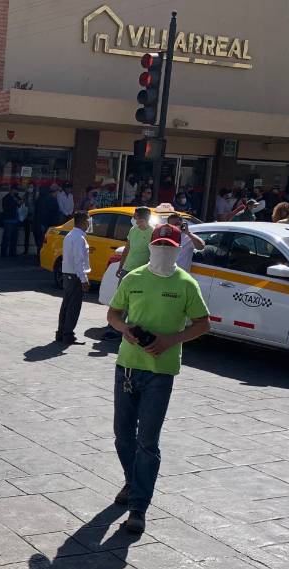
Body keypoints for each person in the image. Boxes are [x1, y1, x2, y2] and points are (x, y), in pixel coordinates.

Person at [107, 223, 211, 534]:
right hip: (127, 365)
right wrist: (126, 330)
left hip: (160, 372)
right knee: (122, 435)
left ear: (178, 250)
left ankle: (138, 507)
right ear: (152, 246)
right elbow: (113, 315)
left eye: (170, 247)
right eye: (159, 246)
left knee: (147, 441)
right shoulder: (134, 278)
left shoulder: (186, 284)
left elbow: (203, 324)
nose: (163, 252)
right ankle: (132, 480)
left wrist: (169, 340)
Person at [57, 210, 91, 344]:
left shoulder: (71, 235)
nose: (89, 224)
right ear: (83, 222)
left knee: (66, 304)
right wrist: (84, 279)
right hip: (75, 275)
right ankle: (68, 335)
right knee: (73, 306)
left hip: (68, 274)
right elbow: (79, 260)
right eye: (88, 221)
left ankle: (61, 332)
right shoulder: (79, 238)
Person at [0, 186, 21, 258]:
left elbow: (20, 205)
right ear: (11, 190)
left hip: (16, 220)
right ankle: (3, 253)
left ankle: (12, 252)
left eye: (17, 191)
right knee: (7, 237)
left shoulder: (18, 198)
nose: (16, 192)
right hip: (8, 220)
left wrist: (18, 202)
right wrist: (14, 202)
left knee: (14, 238)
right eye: (15, 190)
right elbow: (6, 208)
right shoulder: (6, 198)